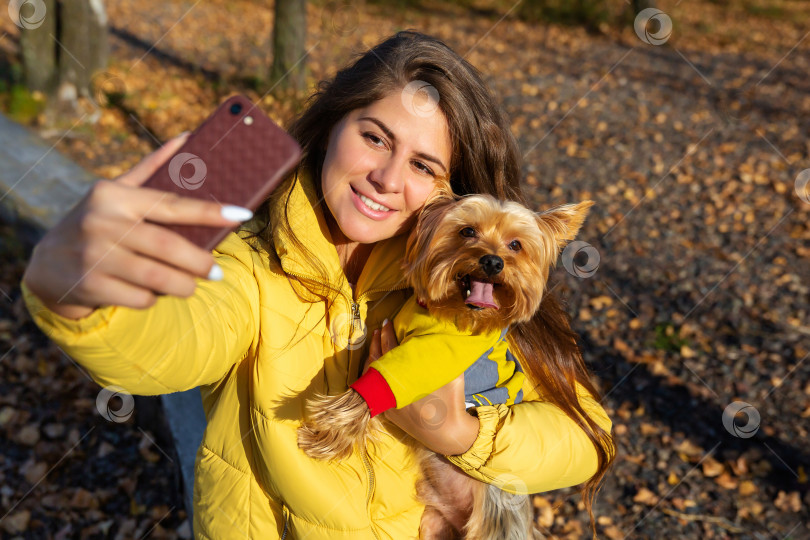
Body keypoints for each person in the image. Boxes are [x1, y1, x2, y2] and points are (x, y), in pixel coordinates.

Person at [20, 31, 615, 539]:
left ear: (448, 192)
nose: (385, 178)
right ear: (332, 126)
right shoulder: (249, 261)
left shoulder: (469, 295)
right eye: (375, 137)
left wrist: (457, 432)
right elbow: (171, 345)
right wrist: (83, 298)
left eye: (423, 165)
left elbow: (584, 438)